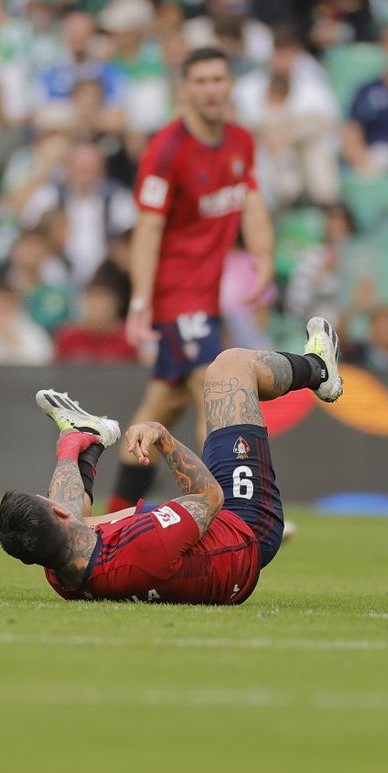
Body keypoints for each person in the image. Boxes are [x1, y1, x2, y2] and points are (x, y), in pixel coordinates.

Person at [0, 319, 343, 604]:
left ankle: (79, 438)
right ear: (56, 513)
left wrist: (71, 451)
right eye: (52, 504)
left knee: (82, 520)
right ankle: (319, 369)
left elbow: (69, 516)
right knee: (229, 367)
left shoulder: (57, 568)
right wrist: (162, 436)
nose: (59, 505)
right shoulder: (146, 545)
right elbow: (210, 498)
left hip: (168, 545)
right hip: (245, 530)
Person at [107, 48, 273, 513]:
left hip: (207, 294)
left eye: (219, 78)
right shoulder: (166, 150)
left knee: (161, 407)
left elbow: (251, 198)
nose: (211, 89)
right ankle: (225, 509)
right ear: (184, 89)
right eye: (200, 80)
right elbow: (148, 226)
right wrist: (140, 300)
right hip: (176, 294)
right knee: (213, 385)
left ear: (230, 85)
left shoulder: (240, 141)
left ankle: (109, 517)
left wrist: (263, 254)